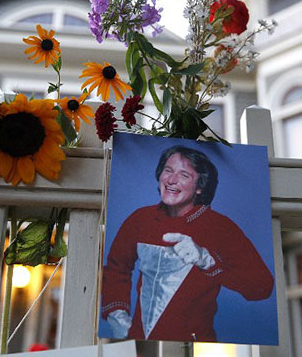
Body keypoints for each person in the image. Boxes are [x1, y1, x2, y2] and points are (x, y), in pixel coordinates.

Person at [101, 145, 274, 342]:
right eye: (168, 170)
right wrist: (117, 314)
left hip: (196, 346)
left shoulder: (220, 227)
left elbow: (262, 287)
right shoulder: (140, 219)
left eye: (184, 175)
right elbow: (116, 268)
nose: (172, 180)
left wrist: (208, 261)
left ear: (200, 186)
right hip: (140, 347)